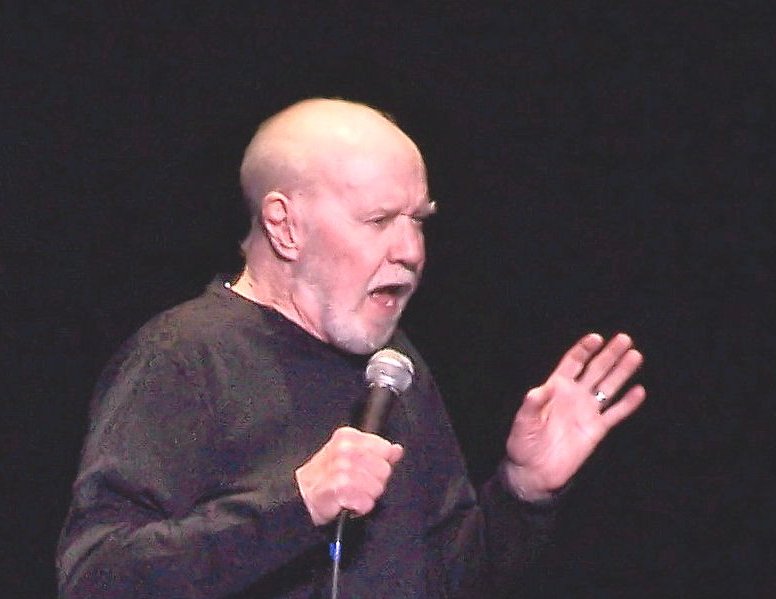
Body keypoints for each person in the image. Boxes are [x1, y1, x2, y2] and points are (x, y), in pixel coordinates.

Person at [56, 98, 646, 598]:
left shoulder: (394, 369)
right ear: (284, 226)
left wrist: (522, 493)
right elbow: (95, 575)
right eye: (379, 219)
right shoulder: (183, 357)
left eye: (418, 220)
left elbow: (444, 576)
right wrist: (296, 505)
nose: (411, 250)